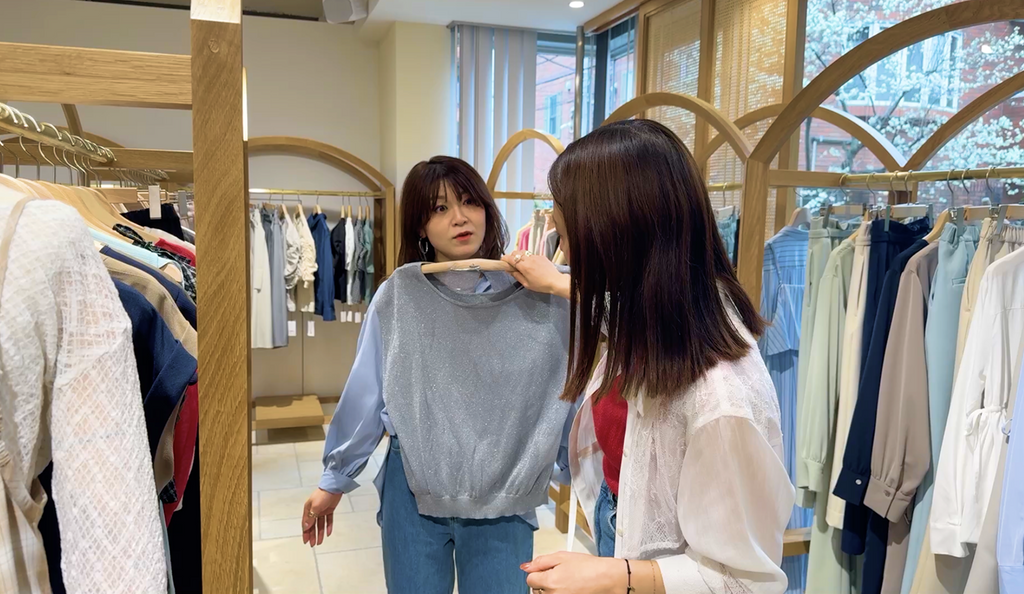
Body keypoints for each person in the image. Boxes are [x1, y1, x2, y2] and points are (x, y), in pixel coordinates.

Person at [503, 119, 794, 594]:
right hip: (621, 520)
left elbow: (746, 581)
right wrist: (556, 283)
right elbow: (611, 311)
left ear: (616, 234)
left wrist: (615, 575)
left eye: (565, 229)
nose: (561, 244)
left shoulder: (720, 399)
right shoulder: (663, 315)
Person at [301, 155, 573, 594]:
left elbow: (568, 382)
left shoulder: (542, 294)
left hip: (503, 490)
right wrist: (335, 478)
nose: (460, 218)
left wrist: (573, 463)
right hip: (414, 488)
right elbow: (367, 394)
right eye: (440, 208)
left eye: (470, 202)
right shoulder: (399, 297)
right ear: (420, 226)